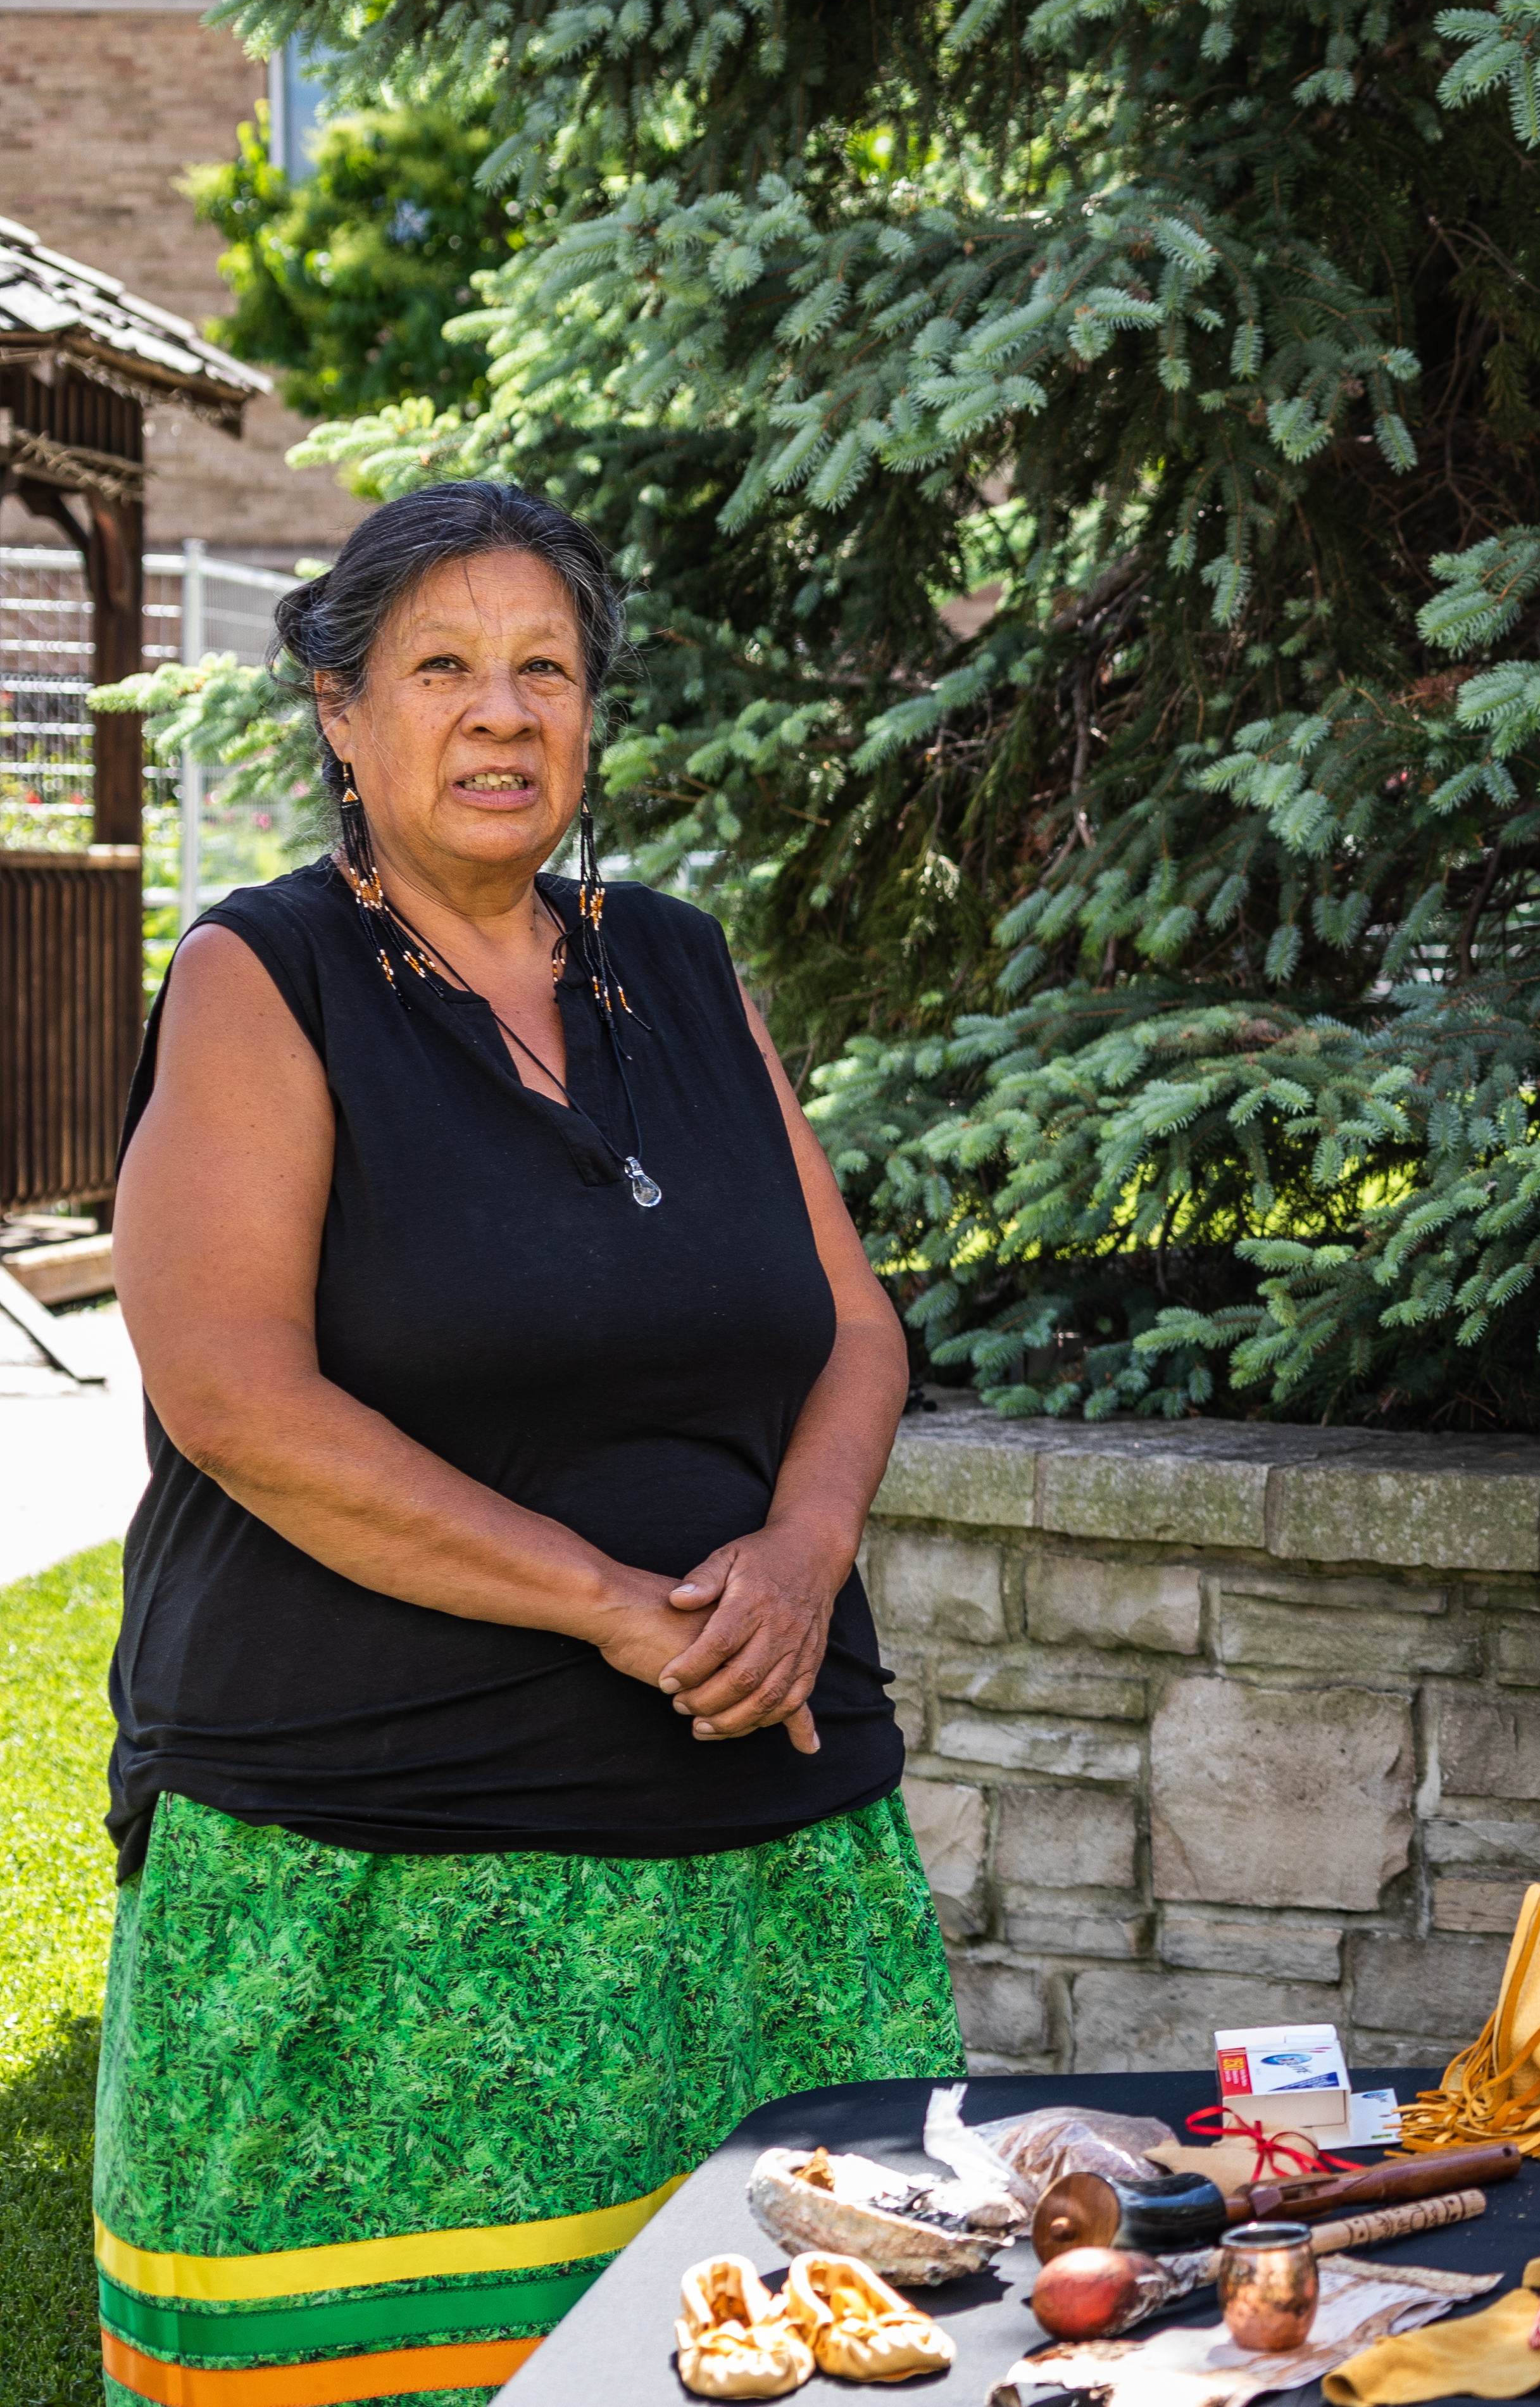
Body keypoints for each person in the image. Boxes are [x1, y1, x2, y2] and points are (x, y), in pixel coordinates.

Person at [100, 483, 957, 2398]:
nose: (501, 715)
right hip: (374, 1888)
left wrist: (803, 1552)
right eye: (442, 668)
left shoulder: (676, 958)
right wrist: (614, 1608)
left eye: (544, 669)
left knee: (800, 2362)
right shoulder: (268, 978)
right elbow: (235, 1398)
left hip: (764, 1879)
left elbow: (855, 1328)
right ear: (338, 707)